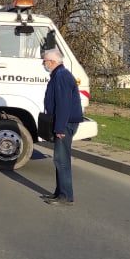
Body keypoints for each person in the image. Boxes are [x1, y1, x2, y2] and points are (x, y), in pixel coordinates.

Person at [41, 48, 83, 206]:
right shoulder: (58, 75)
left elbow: (63, 104)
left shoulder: (62, 76)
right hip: (63, 123)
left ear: (52, 62)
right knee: (59, 159)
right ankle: (59, 192)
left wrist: (59, 128)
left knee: (62, 159)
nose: (43, 64)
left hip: (65, 124)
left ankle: (65, 196)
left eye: (44, 61)